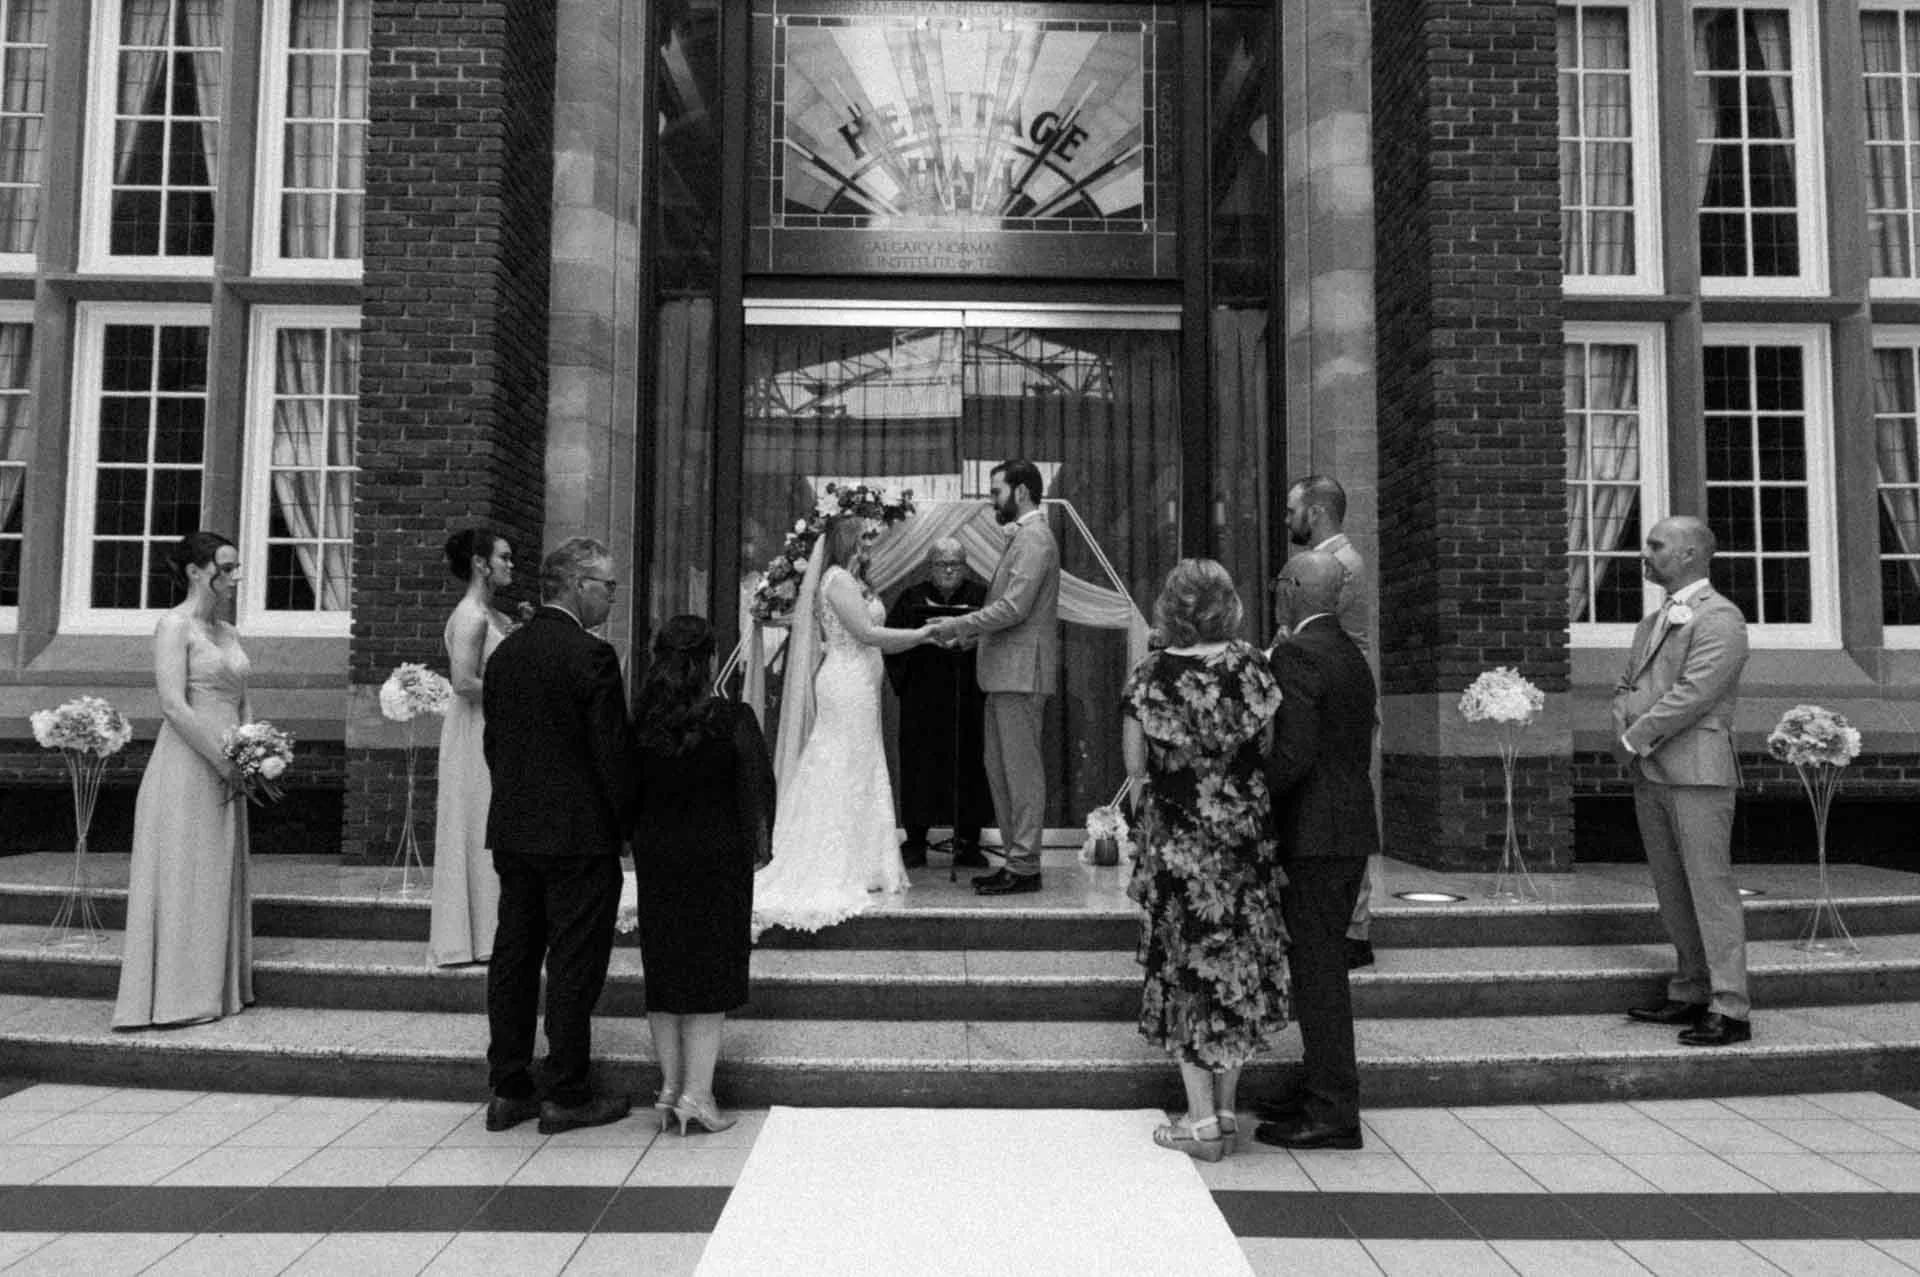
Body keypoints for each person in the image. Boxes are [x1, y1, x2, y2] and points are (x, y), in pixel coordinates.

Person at [1122, 559, 1287, 1164]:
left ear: (1172, 608)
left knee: (1185, 963)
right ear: (1228, 603)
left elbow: (1135, 765)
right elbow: (1267, 747)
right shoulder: (1251, 666)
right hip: (1242, 836)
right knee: (1236, 961)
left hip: (1178, 840)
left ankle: (1198, 1126)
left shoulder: (1150, 673)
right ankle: (1223, 1111)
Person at [481, 537, 636, 1135]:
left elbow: (495, 745)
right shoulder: (591, 656)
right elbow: (611, 754)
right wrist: (624, 827)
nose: (613, 597)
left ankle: (509, 1086)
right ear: (576, 584)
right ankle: (567, 1091)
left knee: (515, 957)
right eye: (608, 585)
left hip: (516, 830)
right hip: (578, 836)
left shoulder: (508, 654)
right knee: (574, 963)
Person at [753, 515, 935, 934]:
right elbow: (867, 633)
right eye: (865, 540)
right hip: (847, 682)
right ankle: (838, 858)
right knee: (842, 765)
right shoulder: (836, 580)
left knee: (862, 765)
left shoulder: (855, 581)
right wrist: (922, 635)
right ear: (847, 542)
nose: (870, 548)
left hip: (863, 685)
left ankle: (866, 859)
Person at [632, 615, 777, 1136]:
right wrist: (753, 851)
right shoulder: (732, 719)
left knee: (665, 970)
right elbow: (758, 794)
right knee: (709, 977)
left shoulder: (641, 724)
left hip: (659, 858)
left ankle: (668, 1089)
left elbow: (627, 795)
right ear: (711, 659)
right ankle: (698, 1094)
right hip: (716, 860)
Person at [1254, 551, 1379, 1151]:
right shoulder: (1349, 651)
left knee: (1319, 972)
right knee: (1319, 967)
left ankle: (1333, 1108)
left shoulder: (1297, 653)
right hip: (1346, 829)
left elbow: (1294, 755)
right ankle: (1318, 1086)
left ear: (1295, 590)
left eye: (1280, 583)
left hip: (1315, 834)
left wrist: (1245, 794)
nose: (1275, 591)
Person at [1614, 516, 1753, 1047]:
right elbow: (1629, 684)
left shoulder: (1721, 618)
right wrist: (1619, 723)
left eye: (1656, 546)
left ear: (1692, 553)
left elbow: (1694, 694)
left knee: (1710, 889)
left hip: (1698, 773)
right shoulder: (1651, 622)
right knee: (1671, 890)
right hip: (1651, 771)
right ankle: (1691, 989)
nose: (1644, 554)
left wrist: (1633, 736)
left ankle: (1731, 1006)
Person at [114, 532, 253, 1030]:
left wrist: (255, 750)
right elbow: (173, 704)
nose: (236, 577)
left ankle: (215, 985)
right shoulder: (174, 626)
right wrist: (220, 759)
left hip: (231, 760)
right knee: (184, 871)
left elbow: (240, 697)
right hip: (188, 762)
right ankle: (177, 994)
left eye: (237, 567)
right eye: (228, 567)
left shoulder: (231, 633)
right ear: (198, 571)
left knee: (217, 868)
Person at [926, 459, 1062, 896]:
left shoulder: (1035, 538)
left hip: (1021, 676)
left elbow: (1014, 608)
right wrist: (969, 642)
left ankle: (1024, 865)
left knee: (1020, 773)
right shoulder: (1025, 537)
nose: (991, 499)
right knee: (1000, 770)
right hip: (1006, 673)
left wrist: (958, 626)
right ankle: (1017, 860)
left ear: (1021, 492)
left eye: (997, 490)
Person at [1283, 475, 1378, 971]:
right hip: (1329, 696)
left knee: (1342, 809)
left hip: (1338, 703)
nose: (1286, 519)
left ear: (1315, 513)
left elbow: (1306, 632)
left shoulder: (1339, 567)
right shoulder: (1335, 562)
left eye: (1292, 509)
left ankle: (1354, 930)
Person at [428, 527, 516, 967]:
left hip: (491, 723)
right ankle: (475, 934)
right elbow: (463, 683)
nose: (510, 565)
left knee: (490, 818)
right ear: (481, 563)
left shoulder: (491, 614)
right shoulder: (471, 617)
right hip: (475, 728)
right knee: (478, 818)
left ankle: (492, 928)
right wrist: (519, 691)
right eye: (503, 557)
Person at [884, 537, 991, 870]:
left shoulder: (981, 597)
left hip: (969, 697)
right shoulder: (910, 598)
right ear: (930, 567)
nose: (949, 569)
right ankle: (916, 841)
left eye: (955, 563)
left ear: (965, 565)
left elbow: (996, 638)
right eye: (942, 563)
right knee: (919, 767)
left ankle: (968, 843)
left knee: (971, 766)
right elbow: (891, 643)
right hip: (922, 701)